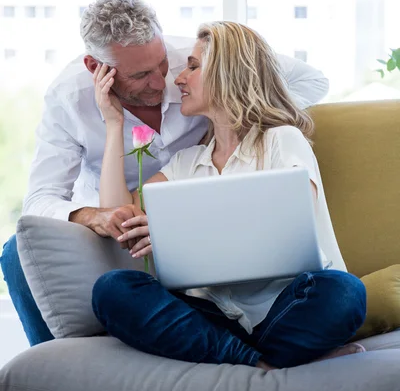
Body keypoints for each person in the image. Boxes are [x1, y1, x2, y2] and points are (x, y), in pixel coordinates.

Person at [0, 0, 330, 347]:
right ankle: (53, 370)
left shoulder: (206, 58)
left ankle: (228, 348)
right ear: (97, 68)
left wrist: (236, 118)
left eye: (163, 65)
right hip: (121, 228)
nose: (163, 82)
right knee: (18, 253)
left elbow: (310, 82)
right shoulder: (69, 99)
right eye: (141, 75)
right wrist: (92, 214)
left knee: (338, 293)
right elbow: (42, 199)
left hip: (195, 232)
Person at [91, 21, 366, 370]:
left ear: (227, 72)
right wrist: (113, 123)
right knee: (114, 289)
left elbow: (287, 231)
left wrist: (175, 235)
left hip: (286, 308)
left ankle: (236, 359)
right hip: (213, 315)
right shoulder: (186, 164)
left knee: (344, 292)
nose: (179, 79)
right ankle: (263, 365)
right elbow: (119, 214)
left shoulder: (281, 140)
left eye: (193, 66)